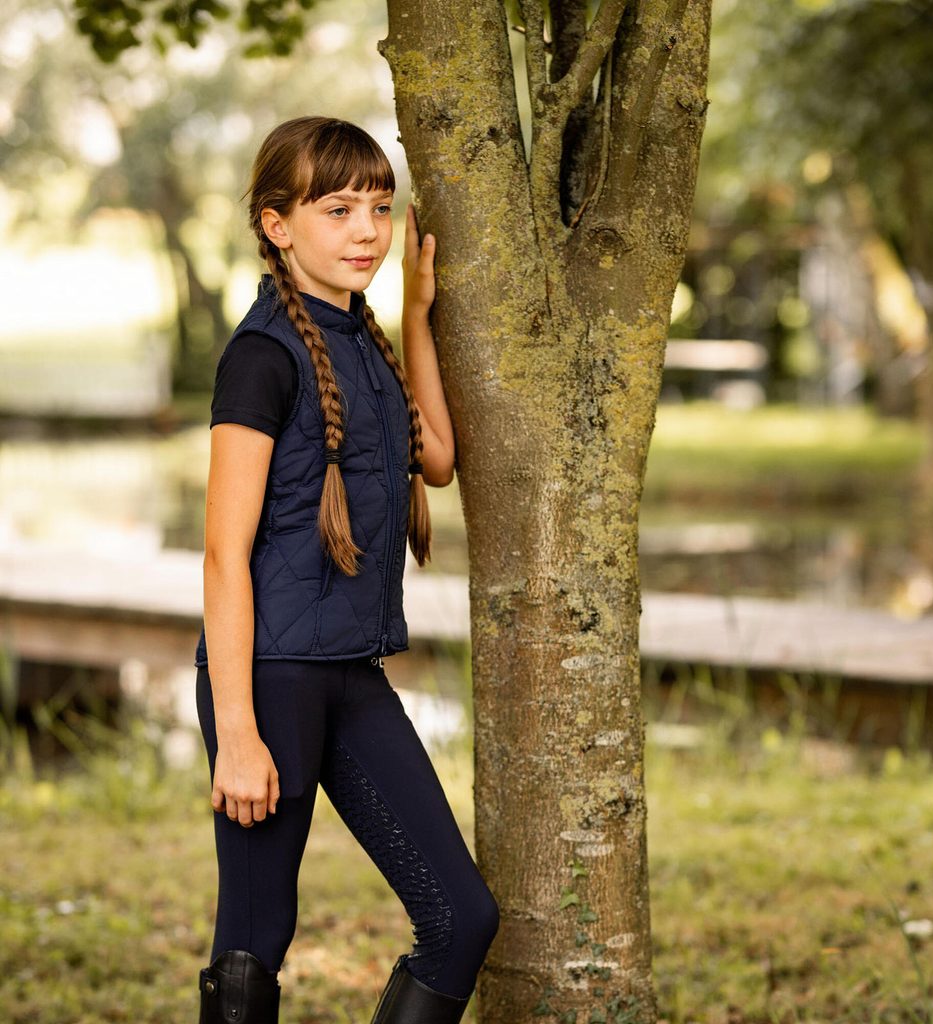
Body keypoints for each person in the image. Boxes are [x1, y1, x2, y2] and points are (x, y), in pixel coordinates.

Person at [192, 115, 500, 1024]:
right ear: (278, 225)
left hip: (351, 676)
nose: (366, 230)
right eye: (337, 210)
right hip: (269, 681)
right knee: (254, 942)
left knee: (462, 918)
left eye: (379, 208)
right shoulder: (261, 357)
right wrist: (238, 734)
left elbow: (436, 459)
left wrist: (416, 315)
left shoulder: (362, 340)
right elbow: (223, 554)